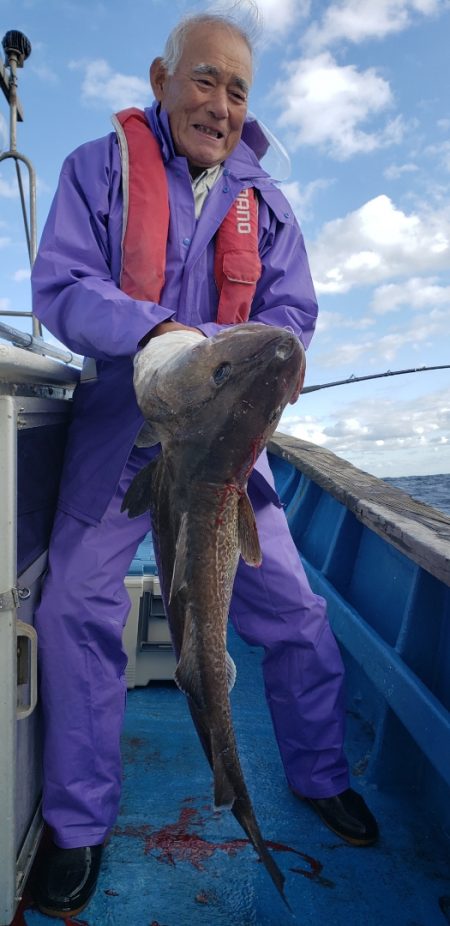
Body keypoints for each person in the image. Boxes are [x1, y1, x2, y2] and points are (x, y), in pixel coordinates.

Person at [30, 6, 378, 918]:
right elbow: (62, 286)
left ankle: (318, 771)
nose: (221, 103)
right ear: (161, 79)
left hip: (227, 441)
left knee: (297, 608)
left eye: (237, 88)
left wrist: (235, 356)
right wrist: (151, 336)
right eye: (204, 79)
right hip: (121, 417)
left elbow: (293, 318)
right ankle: (75, 823)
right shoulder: (94, 169)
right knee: (73, 602)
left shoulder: (268, 207)